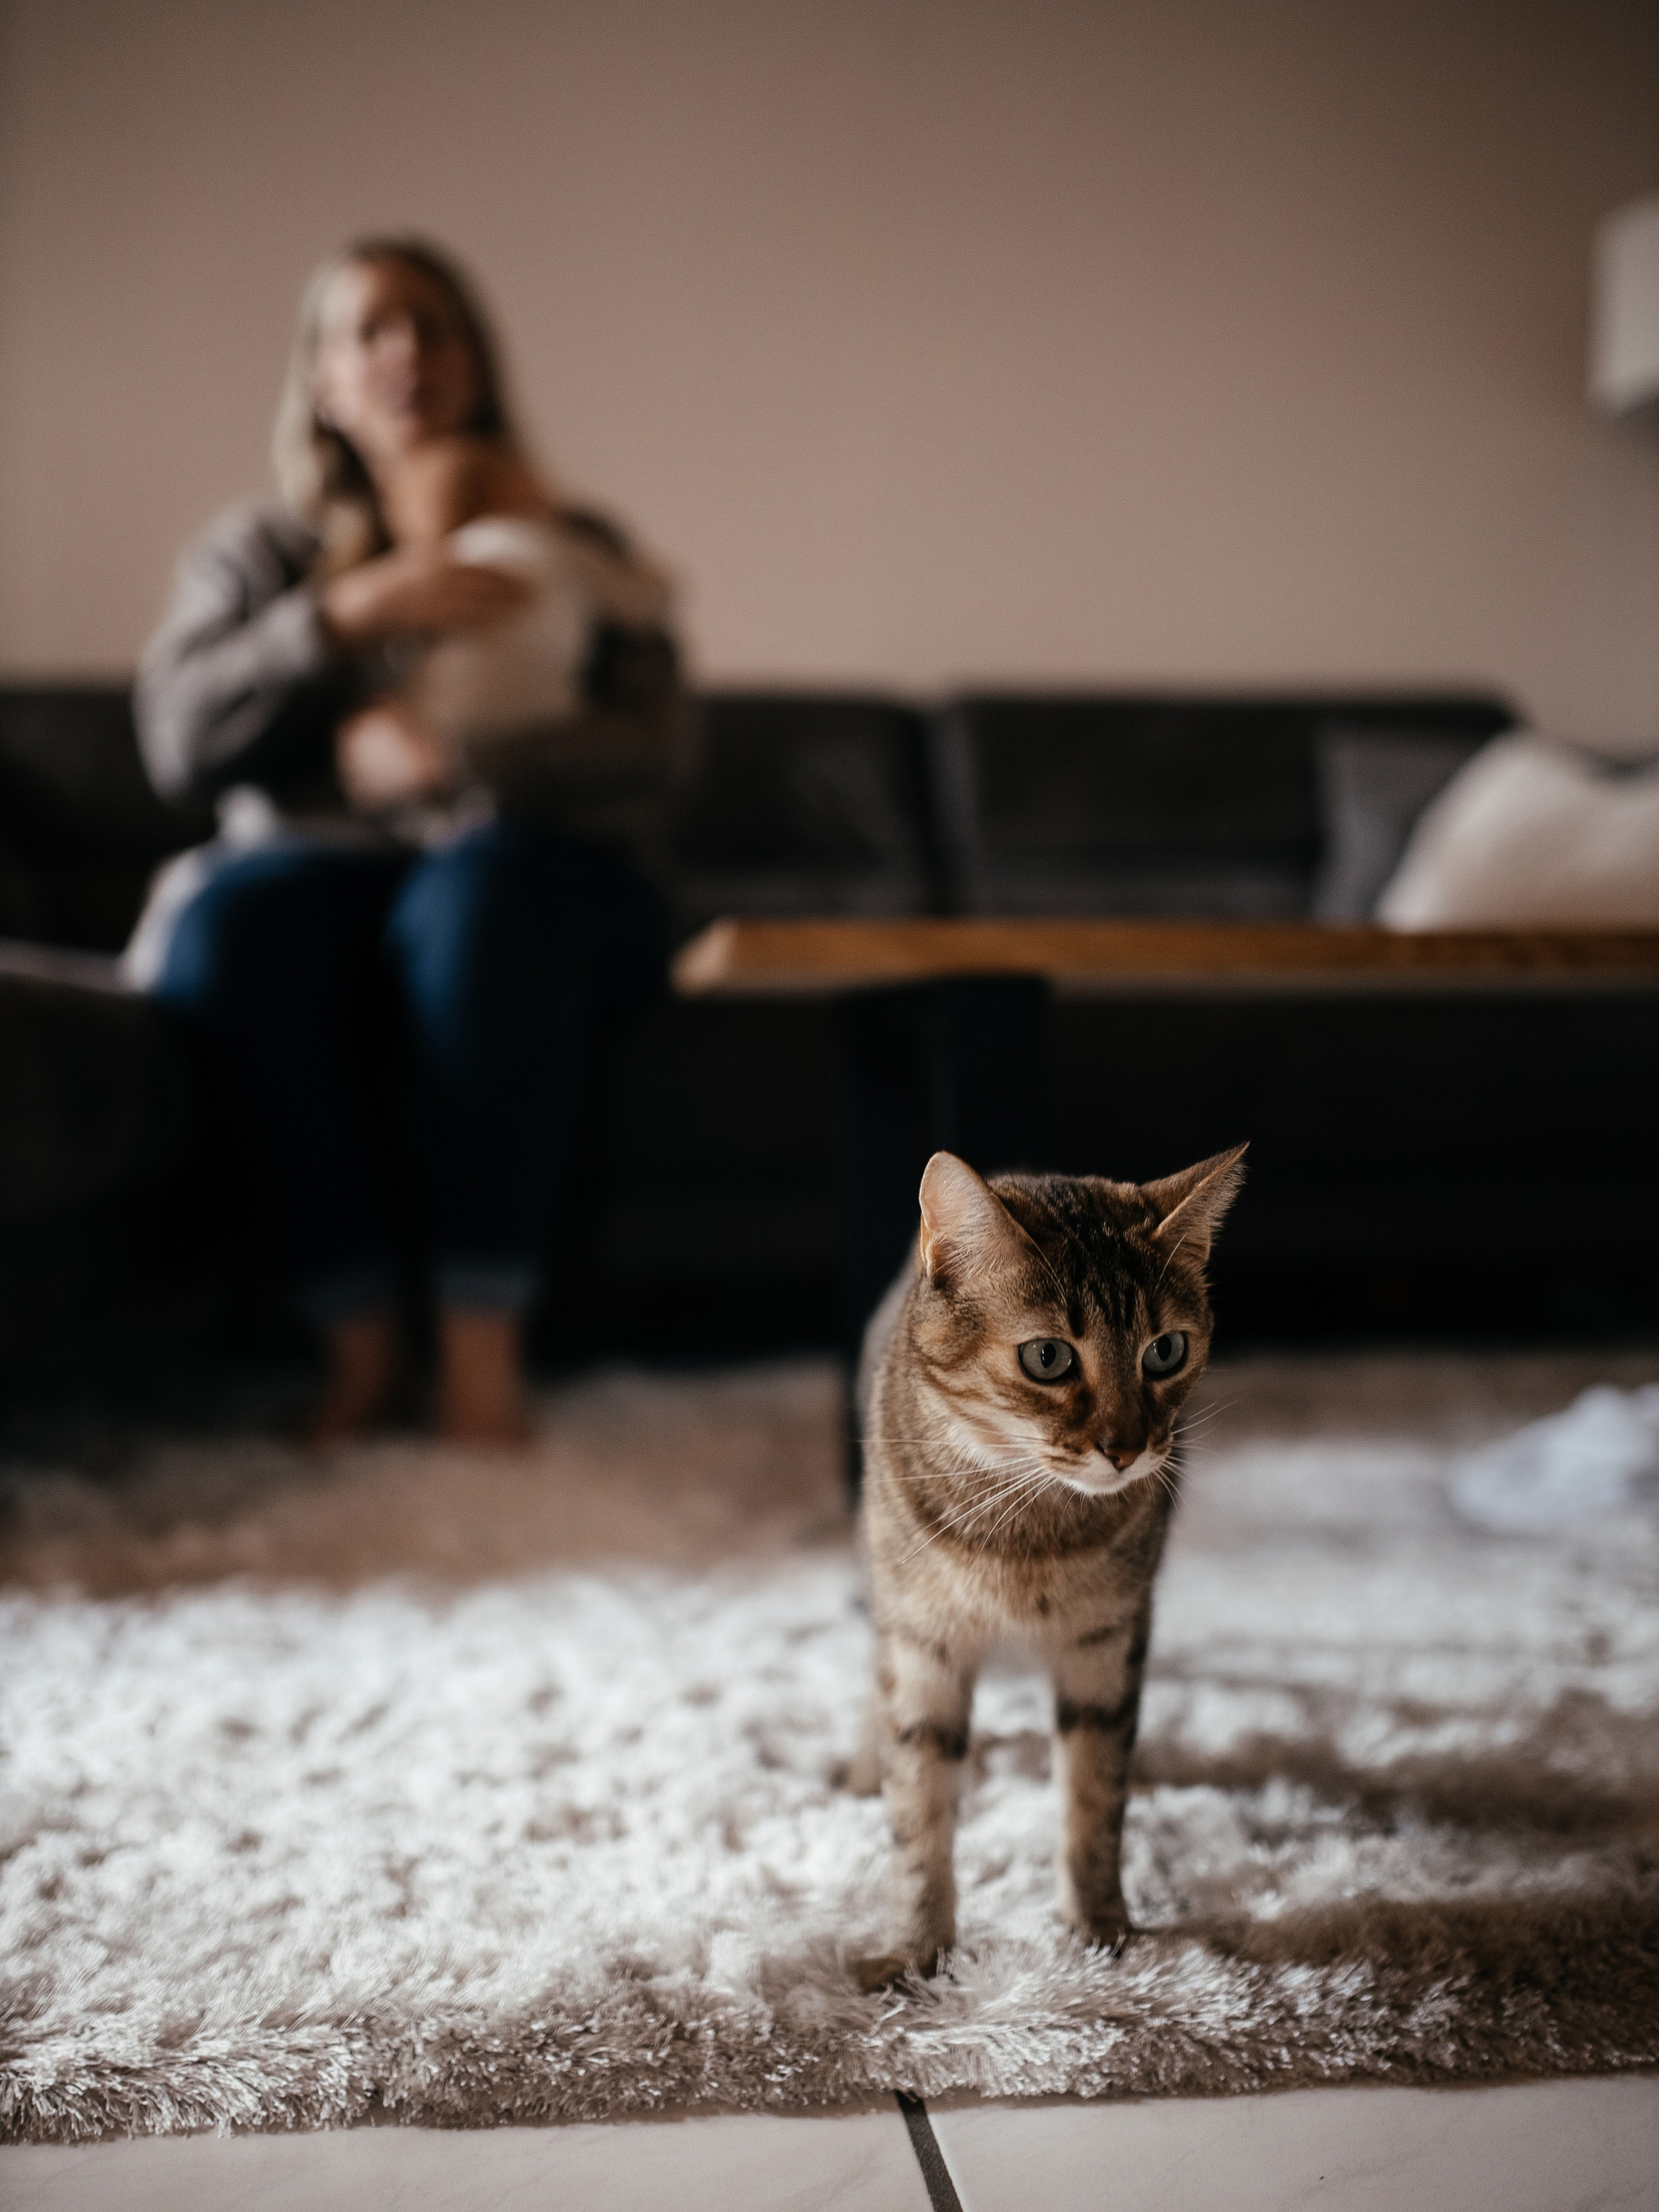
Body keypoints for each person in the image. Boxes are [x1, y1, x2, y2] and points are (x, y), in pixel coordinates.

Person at [131, 238, 686, 1445]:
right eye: (370, 328)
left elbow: (657, 748)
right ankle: (362, 1343)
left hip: (534, 871)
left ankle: (484, 1354)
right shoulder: (263, 556)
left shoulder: (569, 540)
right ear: (321, 380)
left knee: (478, 903)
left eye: (436, 325)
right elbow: (177, 744)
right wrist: (345, 615)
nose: (407, 350)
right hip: (324, 870)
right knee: (230, 935)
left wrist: (455, 766)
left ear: (479, 363)